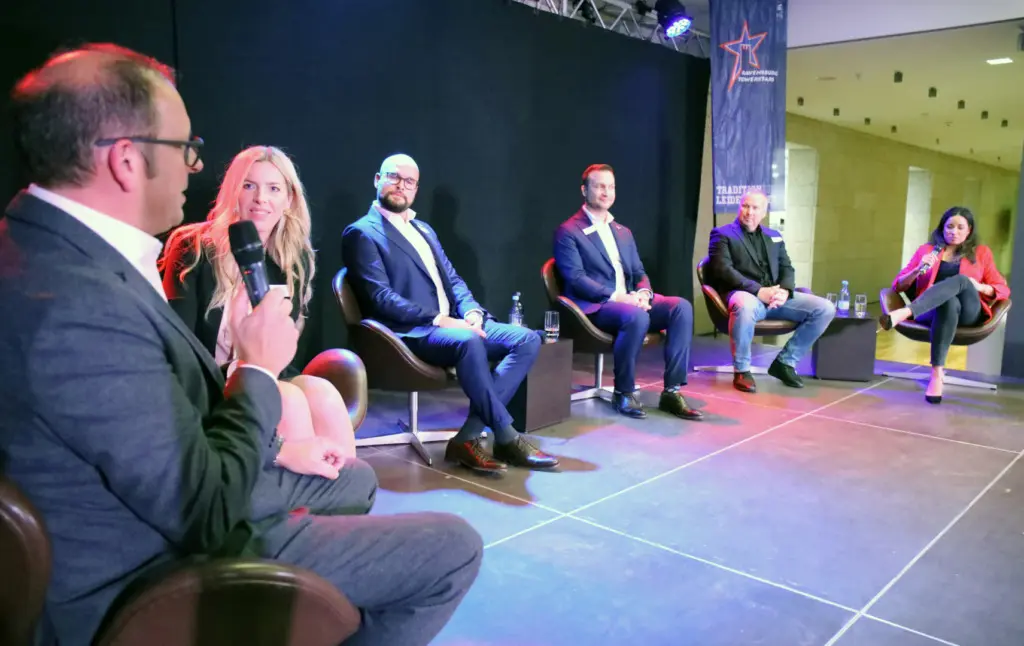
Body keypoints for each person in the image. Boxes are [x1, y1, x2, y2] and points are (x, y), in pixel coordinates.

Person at [0, 44, 481, 646]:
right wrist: (255, 369)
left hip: (167, 485)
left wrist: (278, 447)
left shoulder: (49, 248)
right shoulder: (74, 303)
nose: (195, 165)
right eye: (185, 148)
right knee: (457, 548)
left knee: (354, 477)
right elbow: (200, 507)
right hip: (153, 559)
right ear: (125, 161)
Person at [342, 153, 558, 474]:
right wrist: (440, 320)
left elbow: (453, 280)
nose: (401, 185)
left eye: (409, 181)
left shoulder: (424, 229)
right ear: (377, 180)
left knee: (526, 339)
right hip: (410, 332)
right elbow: (380, 298)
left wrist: (472, 313)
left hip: (454, 324)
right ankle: (506, 435)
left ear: (416, 189)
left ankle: (468, 436)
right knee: (468, 342)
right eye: (394, 177)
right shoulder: (362, 233)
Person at [162, 145, 355, 456]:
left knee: (324, 394)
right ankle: (295, 484)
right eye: (249, 186)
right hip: (207, 380)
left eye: (273, 188)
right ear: (233, 192)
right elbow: (176, 343)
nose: (260, 198)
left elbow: (284, 349)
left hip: (268, 375)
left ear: (289, 199)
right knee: (289, 400)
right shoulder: (194, 247)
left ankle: (342, 484)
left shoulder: (293, 259)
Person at [553, 164, 703, 420]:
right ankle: (623, 392)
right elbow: (576, 279)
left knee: (680, 307)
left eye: (611, 187)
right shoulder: (568, 231)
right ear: (584, 190)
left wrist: (643, 293)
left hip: (630, 302)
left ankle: (672, 390)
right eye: (599, 186)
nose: (606, 192)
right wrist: (620, 298)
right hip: (595, 306)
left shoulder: (623, 232)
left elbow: (638, 272)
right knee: (636, 316)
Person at [706, 189, 835, 393]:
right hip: (744, 293)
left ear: (764, 212)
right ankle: (742, 370)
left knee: (825, 308)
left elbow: (786, 268)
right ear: (739, 207)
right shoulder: (722, 234)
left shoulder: (774, 236)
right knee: (745, 307)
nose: (749, 212)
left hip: (775, 297)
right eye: (745, 206)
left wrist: (784, 291)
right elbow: (723, 270)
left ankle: (785, 362)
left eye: (755, 208)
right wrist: (759, 291)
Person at [881, 206, 1010, 403]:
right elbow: (898, 285)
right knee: (947, 302)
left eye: (960, 227)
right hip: (931, 311)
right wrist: (917, 270)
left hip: (968, 313)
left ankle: (905, 312)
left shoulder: (981, 253)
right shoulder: (926, 251)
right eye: (949, 226)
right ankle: (936, 374)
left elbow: (1002, 289)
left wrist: (978, 286)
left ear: (969, 230)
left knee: (962, 280)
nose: (954, 232)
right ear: (942, 228)